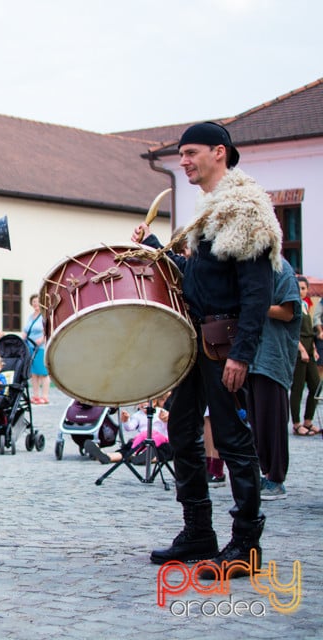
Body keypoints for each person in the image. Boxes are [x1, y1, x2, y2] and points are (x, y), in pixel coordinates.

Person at [133, 122, 280, 579]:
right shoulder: (207, 214)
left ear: (220, 152)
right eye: (181, 154)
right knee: (181, 433)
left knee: (234, 442)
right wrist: (157, 249)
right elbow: (196, 278)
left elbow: (257, 292)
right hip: (194, 340)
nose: (184, 161)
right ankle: (198, 531)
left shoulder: (245, 210)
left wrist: (242, 354)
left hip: (223, 343)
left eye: (191, 152)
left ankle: (245, 545)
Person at [247, 261, 301, 500]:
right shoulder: (252, 267)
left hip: (272, 356)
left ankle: (276, 479)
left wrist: (256, 307)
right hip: (252, 356)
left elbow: (288, 312)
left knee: (273, 421)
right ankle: (264, 472)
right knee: (256, 422)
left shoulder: (282, 269)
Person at [85, 396, 171, 464]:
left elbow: (168, 427)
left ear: (154, 402)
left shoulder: (161, 412)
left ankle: (145, 458)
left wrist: (166, 420)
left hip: (160, 440)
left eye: (146, 402)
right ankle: (107, 457)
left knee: (162, 451)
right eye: (140, 402)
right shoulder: (138, 415)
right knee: (129, 447)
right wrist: (126, 421)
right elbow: (130, 427)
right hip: (142, 439)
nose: (143, 404)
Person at [289, 276, 320, 436]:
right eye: (299, 288)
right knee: (298, 388)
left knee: (316, 385)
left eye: (303, 288)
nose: (301, 291)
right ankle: (296, 423)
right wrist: (301, 350)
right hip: (299, 349)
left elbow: (310, 331)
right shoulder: (293, 306)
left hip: (309, 348)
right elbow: (292, 333)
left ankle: (308, 420)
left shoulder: (306, 305)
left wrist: (313, 348)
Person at [22, 293, 49, 404]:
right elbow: (26, 330)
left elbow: (47, 330)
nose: (36, 303)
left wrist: (42, 339)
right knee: (33, 373)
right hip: (30, 346)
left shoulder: (44, 316)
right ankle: (36, 395)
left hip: (40, 347)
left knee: (43, 372)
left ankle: (45, 396)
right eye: (33, 301)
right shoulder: (30, 316)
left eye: (37, 301)